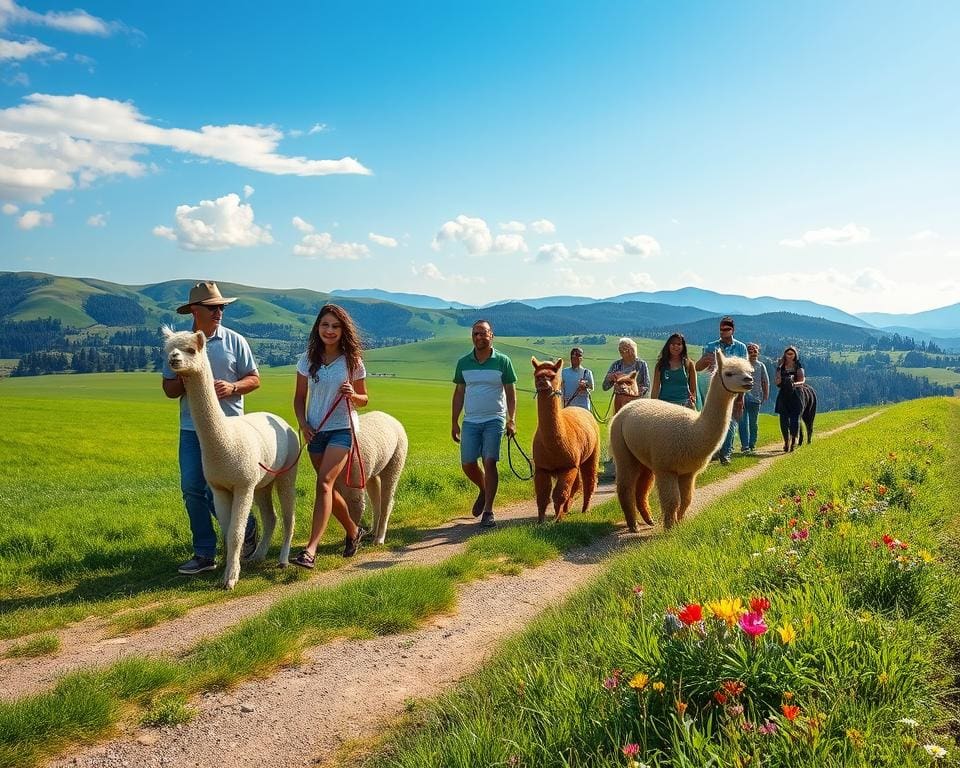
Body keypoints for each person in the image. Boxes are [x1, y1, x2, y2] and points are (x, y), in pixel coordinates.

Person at [162, 281, 259, 575]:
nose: (219, 312)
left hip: (233, 430)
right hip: (194, 429)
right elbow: (168, 389)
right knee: (194, 488)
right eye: (213, 307)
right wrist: (187, 374)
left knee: (222, 488)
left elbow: (254, 379)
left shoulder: (235, 342)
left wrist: (233, 386)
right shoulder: (179, 345)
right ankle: (205, 553)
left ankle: (245, 531)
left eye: (221, 307)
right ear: (195, 310)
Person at [292, 304, 369, 567]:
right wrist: (303, 425)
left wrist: (352, 394)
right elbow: (299, 399)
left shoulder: (352, 362)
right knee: (330, 488)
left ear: (343, 329)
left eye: (335, 326)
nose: (330, 330)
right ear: (318, 328)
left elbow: (364, 399)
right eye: (325, 325)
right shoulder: (306, 360)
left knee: (324, 483)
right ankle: (354, 530)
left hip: (342, 429)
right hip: (315, 431)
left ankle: (310, 550)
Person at [452, 319, 518, 528]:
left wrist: (511, 419)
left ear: (492, 335)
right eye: (475, 334)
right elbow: (459, 392)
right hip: (471, 420)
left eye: (483, 333)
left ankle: (488, 510)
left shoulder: (503, 361)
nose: (479, 337)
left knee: (490, 461)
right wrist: (454, 421)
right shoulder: (463, 362)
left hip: (494, 418)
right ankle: (484, 488)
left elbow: (510, 392)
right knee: (468, 462)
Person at [695, 316, 748, 465]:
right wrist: (704, 361)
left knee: (730, 421)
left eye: (726, 329)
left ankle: (726, 453)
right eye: (721, 329)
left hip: (732, 390)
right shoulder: (711, 346)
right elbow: (698, 368)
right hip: (713, 389)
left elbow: (744, 374)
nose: (723, 332)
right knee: (711, 420)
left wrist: (741, 397)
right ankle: (714, 451)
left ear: (732, 330)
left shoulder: (741, 348)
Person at [650, 333, 697, 409]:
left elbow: (693, 388)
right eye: (673, 344)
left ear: (683, 346)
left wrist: (692, 401)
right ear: (668, 346)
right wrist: (653, 406)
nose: (676, 346)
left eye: (679, 344)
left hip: (684, 405)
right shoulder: (661, 364)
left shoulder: (689, 364)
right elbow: (655, 388)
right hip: (664, 404)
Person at [738, 342, 769, 453]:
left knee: (753, 423)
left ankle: (752, 444)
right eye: (750, 350)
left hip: (755, 398)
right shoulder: (742, 364)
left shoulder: (761, 365)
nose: (752, 352)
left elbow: (765, 381)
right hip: (741, 398)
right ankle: (745, 445)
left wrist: (765, 395)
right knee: (742, 422)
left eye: (755, 350)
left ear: (758, 352)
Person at [774, 345, 806, 449]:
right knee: (783, 419)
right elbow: (777, 381)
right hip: (783, 393)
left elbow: (802, 380)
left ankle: (793, 439)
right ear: (785, 354)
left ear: (795, 355)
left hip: (796, 394)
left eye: (792, 354)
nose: (789, 356)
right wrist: (778, 368)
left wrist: (794, 384)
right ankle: (786, 441)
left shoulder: (798, 366)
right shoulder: (781, 366)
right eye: (788, 354)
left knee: (794, 418)